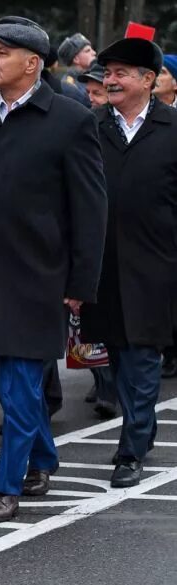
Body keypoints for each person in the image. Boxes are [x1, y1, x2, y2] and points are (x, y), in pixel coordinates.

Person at [0, 16, 106, 524]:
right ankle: (44, 458)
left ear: (32, 63)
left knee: (17, 384)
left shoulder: (70, 120)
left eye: (3, 52)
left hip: (42, 277)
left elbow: (90, 209)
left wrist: (82, 282)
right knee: (12, 380)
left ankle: (5, 486)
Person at [79, 33, 177, 488]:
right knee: (116, 355)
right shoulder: (89, 126)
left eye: (120, 73)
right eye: (107, 73)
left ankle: (132, 448)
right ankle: (136, 431)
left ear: (148, 80)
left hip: (156, 266)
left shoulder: (172, 128)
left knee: (141, 357)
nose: (110, 80)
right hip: (102, 267)